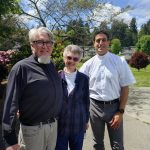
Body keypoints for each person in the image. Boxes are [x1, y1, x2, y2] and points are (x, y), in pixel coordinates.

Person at [2, 27, 63, 150]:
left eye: (49, 42)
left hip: (52, 127)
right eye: (40, 42)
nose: (45, 46)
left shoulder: (51, 65)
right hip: (33, 131)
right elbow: (10, 105)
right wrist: (10, 140)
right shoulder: (21, 68)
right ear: (32, 45)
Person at [80, 30, 136, 150]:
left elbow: (125, 87)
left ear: (108, 43)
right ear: (93, 44)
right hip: (94, 108)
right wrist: (63, 73)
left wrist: (120, 112)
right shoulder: (88, 64)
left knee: (117, 145)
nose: (101, 43)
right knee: (97, 144)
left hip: (114, 107)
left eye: (104, 40)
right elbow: (76, 81)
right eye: (97, 40)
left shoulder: (119, 61)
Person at [55, 45, 90, 150]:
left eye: (75, 59)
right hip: (60, 126)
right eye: (69, 57)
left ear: (79, 60)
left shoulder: (84, 79)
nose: (72, 61)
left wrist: (86, 120)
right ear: (64, 57)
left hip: (78, 125)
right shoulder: (56, 77)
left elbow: (86, 101)